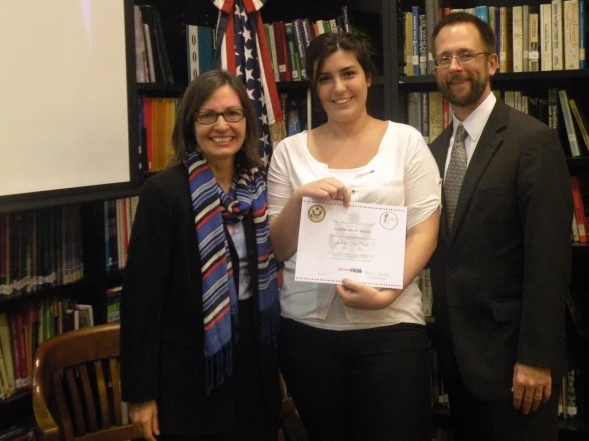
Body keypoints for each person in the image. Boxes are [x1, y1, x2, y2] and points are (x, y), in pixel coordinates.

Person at [266, 31, 441, 441]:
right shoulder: (288, 152)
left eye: (349, 73)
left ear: (368, 78)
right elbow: (276, 248)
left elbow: (424, 231)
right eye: (325, 78)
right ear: (314, 87)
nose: (338, 88)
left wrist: (388, 290)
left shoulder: (406, 142)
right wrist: (299, 199)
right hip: (307, 333)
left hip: (391, 329)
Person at [427, 12, 573, 440]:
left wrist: (536, 356)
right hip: (456, 358)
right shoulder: (433, 152)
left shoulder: (532, 141)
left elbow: (549, 259)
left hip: (515, 363)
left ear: (492, 63)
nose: (454, 67)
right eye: (444, 58)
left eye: (466, 55)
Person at [120, 70, 282, 441]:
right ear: (190, 123)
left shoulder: (257, 188)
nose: (221, 125)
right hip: (189, 377)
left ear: (247, 122)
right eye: (207, 115)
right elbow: (141, 304)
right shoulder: (164, 193)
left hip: (253, 368)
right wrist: (142, 396)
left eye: (232, 114)